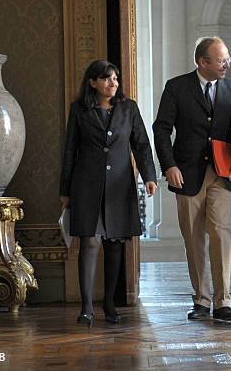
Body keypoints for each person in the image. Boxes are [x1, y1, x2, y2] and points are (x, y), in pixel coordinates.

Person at [60, 60, 157, 327]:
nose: (113, 83)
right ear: (93, 83)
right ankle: (87, 306)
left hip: (119, 185)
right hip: (86, 185)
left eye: (115, 78)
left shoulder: (129, 108)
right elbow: (70, 151)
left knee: (115, 243)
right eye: (106, 79)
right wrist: (65, 190)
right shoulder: (78, 110)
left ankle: (110, 304)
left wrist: (149, 177)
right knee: (90, 242)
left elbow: (142, 144)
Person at [153, 37, 231, 322]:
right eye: (221, 60)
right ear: (202, 62)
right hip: (186, 174)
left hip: (221, 173)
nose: (227, 64)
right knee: (193, 240)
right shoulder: (176, 87)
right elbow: (161, 129)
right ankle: (201, 300)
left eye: (227, 58)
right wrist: (168, 165)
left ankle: (223, 301)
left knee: (220, 234)